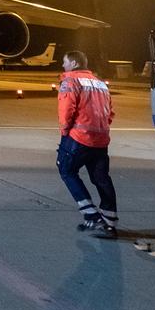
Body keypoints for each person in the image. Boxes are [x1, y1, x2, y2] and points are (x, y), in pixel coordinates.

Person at [56, 50, 117, 237]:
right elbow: (110, 112)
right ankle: (109, 221)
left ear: (74, 63)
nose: (63, 66)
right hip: (101, 138)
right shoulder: (100, 83)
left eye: (65, 62)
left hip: (79, 137)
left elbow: (66, 109)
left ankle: (91, 214)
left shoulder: (70, 81)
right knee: (101, 178)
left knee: (66, 169)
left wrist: (65, 131)